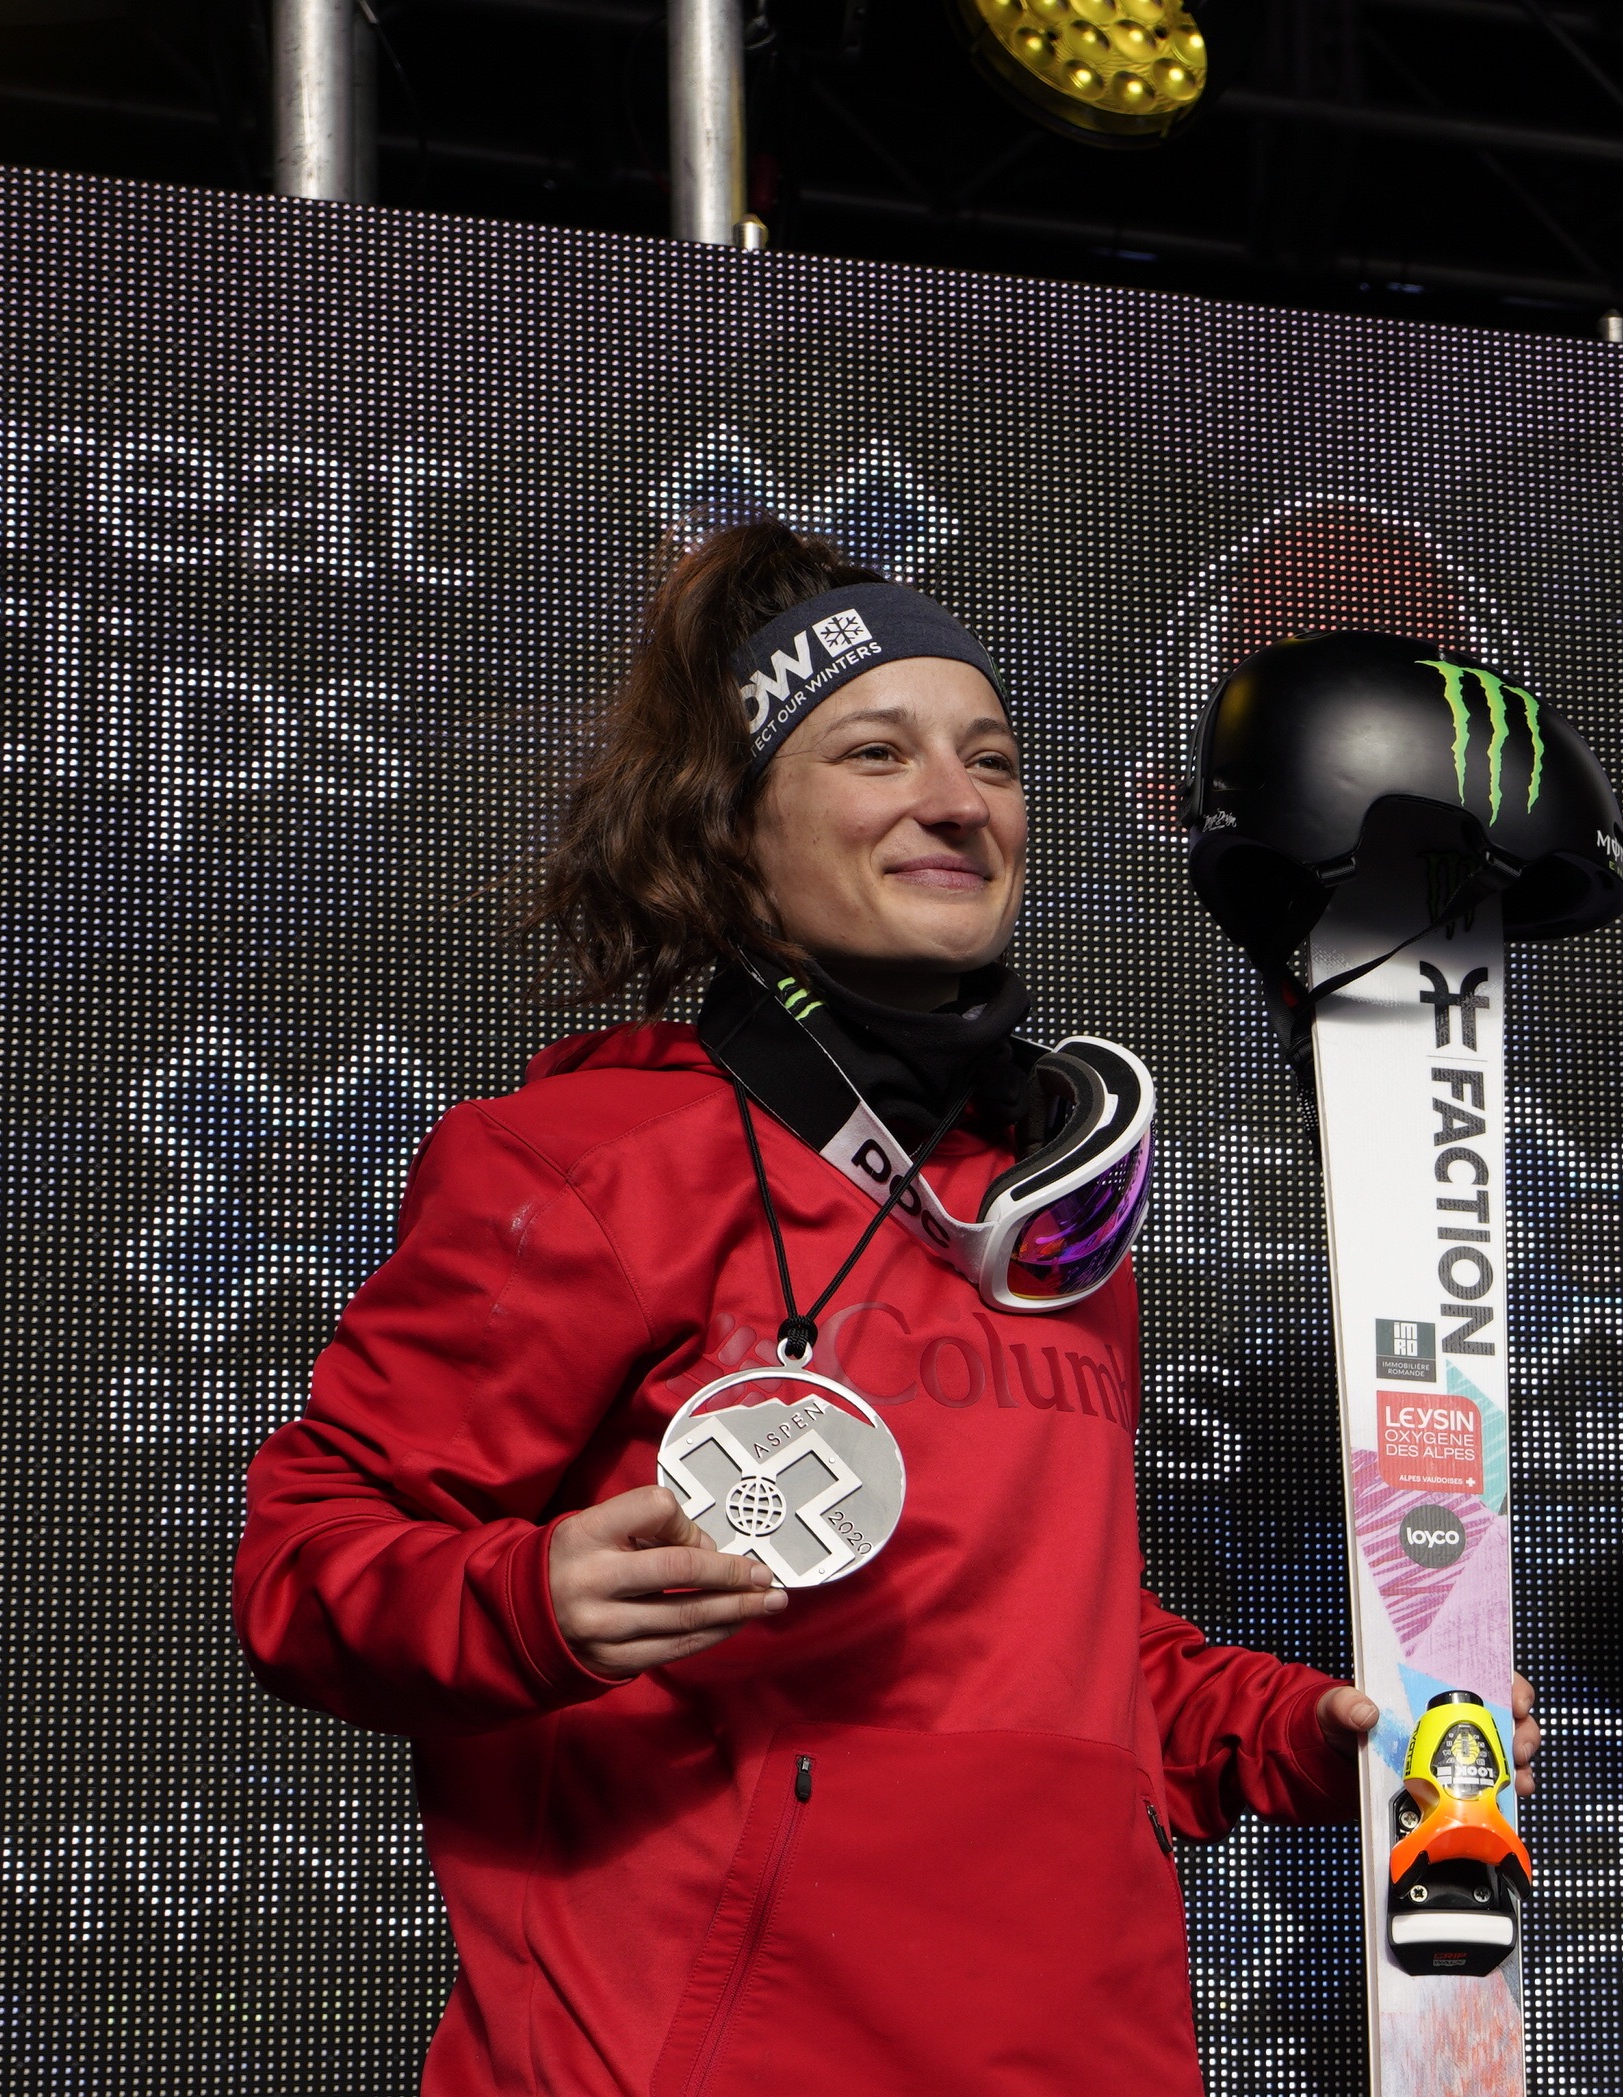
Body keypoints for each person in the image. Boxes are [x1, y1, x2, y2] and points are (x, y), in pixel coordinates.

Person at [231, 520, 1379, 2094]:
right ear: (737, 833)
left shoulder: (1035, 1216)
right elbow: (309, 1560)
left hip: (1080, 2051)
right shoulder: (589, 1167)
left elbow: (1042, 1668)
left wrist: (1299, 1727)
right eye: (874, 751)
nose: (958, 801)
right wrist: (523, 1600)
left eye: (992, 758)